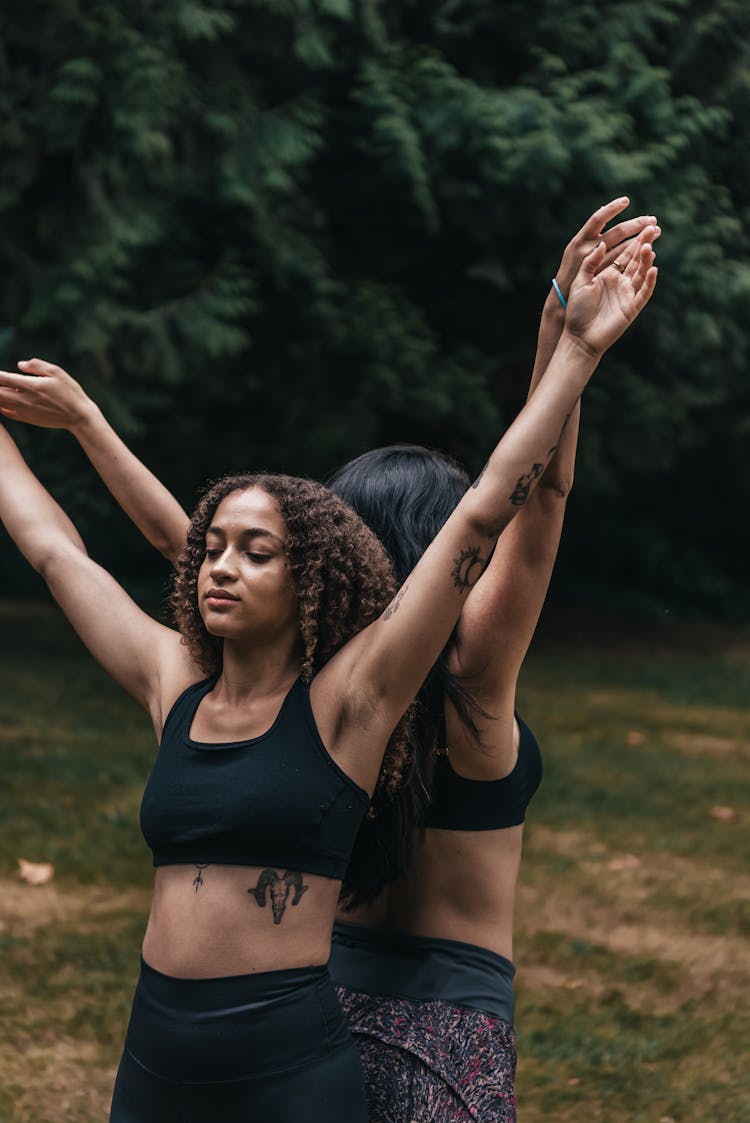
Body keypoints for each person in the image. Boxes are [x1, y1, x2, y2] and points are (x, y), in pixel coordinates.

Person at [0, 215, 658, 1121]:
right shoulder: (421, 682)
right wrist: (564, 344)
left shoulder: (385, 685)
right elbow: (529, 500)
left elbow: (172, 546)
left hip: (331, 1013)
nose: (229, 568)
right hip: (389, 1012)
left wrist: (566, 338)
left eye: (269, 551)